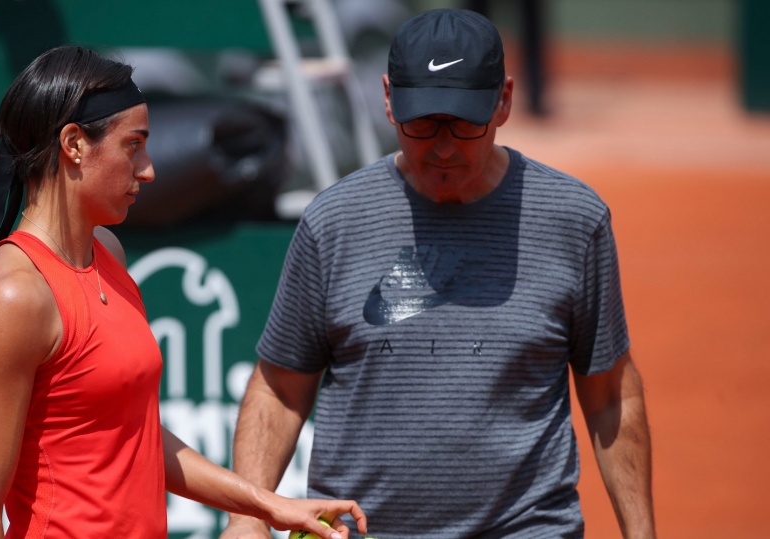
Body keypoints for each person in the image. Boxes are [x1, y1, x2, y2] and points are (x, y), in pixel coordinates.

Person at [220, 9, 654, 539]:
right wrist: (245, 518)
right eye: (422, 123)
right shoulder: (333, 222)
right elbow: (281, 387)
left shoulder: (574, 220)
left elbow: (610, 393)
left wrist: (641, 532)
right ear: (386, 99)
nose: (444, 146)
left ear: (505, 101)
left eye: (466, 123)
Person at [0, 45, 368, 539]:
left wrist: (267, 505)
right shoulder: (14, 296)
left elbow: (140, 439)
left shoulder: (108, 252)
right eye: (134, 145)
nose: (148, 169)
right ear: (74, 144)